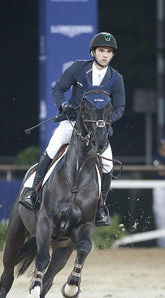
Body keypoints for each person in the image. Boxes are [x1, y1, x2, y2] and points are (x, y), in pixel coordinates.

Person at [19, 32, 125, 227]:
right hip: (72, 124)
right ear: (93, 52)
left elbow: (119, 108)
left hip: (98, 132)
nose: (105, 55)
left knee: (108, 166)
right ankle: (32, 193)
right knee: (52, 149)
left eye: (109, 52)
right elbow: (58, 89)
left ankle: (101, 207)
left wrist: (104, 123)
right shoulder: (78, 69)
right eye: (101, 50)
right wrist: (64, 106)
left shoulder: (116, 79)